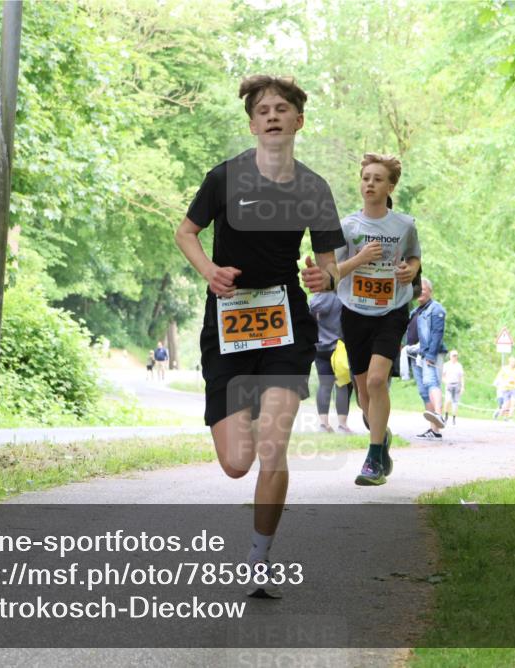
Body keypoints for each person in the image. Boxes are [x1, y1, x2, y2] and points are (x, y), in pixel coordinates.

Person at [174, 75, 344, 596]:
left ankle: (258, 559)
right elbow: (186, 233)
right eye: (263, 109)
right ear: (252, 124)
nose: (272, 115)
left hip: (284, 320)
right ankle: (240, 410)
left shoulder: (314, 188)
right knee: (236, 463)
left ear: (298, 121)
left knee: (273, 450)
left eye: (282, 109)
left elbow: (330, 263)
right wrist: (209, 271)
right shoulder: (224, 179)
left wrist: (325, 276)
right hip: (227, 322)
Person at [311, 152, 421, 486]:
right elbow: (332, 275)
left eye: (377, 179)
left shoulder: (405, 225)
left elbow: (415, 260)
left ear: (390, 186)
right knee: (363, 395)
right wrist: (359, 258)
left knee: (376, 381)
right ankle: (381, 435)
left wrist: (408, 270)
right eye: (365, 178)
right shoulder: (348, 226)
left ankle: (373, 458)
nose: (370, 183)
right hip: (355, 311)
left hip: (391, 310)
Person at [406, 278, 447, 439]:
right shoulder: (416, 311)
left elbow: (437, 333)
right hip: (415, 354)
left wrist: (430, 354)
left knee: (431, 383)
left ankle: (438, 414)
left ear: (430, 290)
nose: (421, 291)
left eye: (423, 288)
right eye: (418, 289)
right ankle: (434, 430)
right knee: (424, 392)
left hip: (430, 353)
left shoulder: (436, 309)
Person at [309, 291, 352, 433]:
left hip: (320, 347)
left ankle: (323, 424)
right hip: (338, 347)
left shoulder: (314, 299)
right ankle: (342, 425)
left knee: (324, 385)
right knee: (343, 384)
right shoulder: (341, 297)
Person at [442, 350, 464, 425]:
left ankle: (454, 418)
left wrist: (462, 387)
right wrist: (446, 382)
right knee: (447, 400)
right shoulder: (446, 365)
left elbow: (461, 377)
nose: (455, 357)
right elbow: (443, 376)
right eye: (453, 356)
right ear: (450, 356)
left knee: (455, 402)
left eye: (456, 356)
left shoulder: (459, 365)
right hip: (449, 385)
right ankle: (446, 415)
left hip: (457, 385)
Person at [497, 356, 515, 420]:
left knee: (513, 403)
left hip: (513, 389)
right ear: (509, 362)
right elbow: (499, 376)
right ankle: (500, 413)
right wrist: (502, 383)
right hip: (505, 389)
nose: (513, 363)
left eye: (514, 362)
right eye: (512, 362)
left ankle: (510, 417)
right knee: (506, 404)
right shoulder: (505, 369)